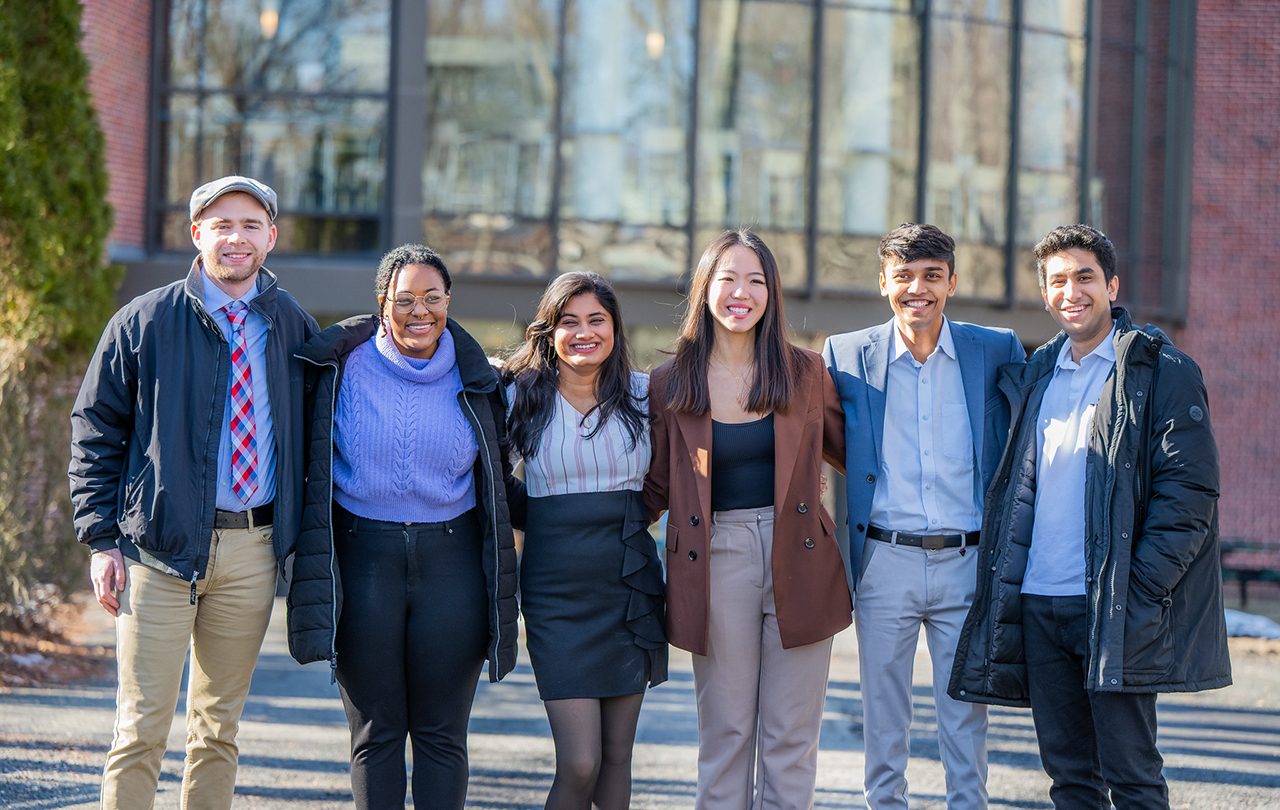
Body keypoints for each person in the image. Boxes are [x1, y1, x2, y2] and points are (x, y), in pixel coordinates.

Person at [949, 225, 1230, 809]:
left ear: (1111, 285)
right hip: (1039, 602)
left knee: (1131, 775)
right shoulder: (1035, 375)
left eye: (1084, 277)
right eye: (1058, 281)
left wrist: (1143, 586)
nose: (1071, 291)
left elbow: (1191, 490)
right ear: (1045, 293)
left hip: (1113, 605)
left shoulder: (1159, 370)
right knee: (1070, 778)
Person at [69, 175, 318, 806]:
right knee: (141, 727)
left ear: (271, 237)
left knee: (217, 730)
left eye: (251, 225)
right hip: (158, 550)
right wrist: (100, 540)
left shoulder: (293, 328)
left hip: (252, 552)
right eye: (222, 224)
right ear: (197, 234)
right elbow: (95, 430)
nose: (237, 238)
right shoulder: (144, 320)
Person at [285, 243, 522, 810]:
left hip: (453, 566)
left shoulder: (483, 380)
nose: (420, 311)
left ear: (449, 301)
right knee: (376, 733)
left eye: (433, 297)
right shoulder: (336, 369)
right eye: (405, 299)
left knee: (442, 735)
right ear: (382, 304)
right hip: (362, 560)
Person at [644, 228, 850, 810]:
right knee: (727, 734)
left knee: (790, 740)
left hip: (801, 556)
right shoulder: (669, 382)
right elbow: (655, 485)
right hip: (715, 559)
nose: (742, 292)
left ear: (772, 293)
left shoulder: (806, 372)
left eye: (756, 280)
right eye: (728, 278)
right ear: (705, 288)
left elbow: (855, 457)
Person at [822, 223, 1024, 810]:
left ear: (952, 282)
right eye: (904, 276)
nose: (918, 288)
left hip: (968, 559)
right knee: (884, 718)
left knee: (965, 717)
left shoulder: (997, 348)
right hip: (884, 558)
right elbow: (831, 439)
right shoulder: (845, 353)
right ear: (883, 282)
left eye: (932, 276)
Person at [503, 271, 667, 810]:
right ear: (548, 332)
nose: (583, 332)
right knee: (580, 762)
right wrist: (542, 520)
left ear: (616, 328)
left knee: (618, 755)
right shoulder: (518, 397)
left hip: (629, 584)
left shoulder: (647, 397)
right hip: (555, 594)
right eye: (568, 321)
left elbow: (679, 476)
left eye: (596, 319)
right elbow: (490, 481)